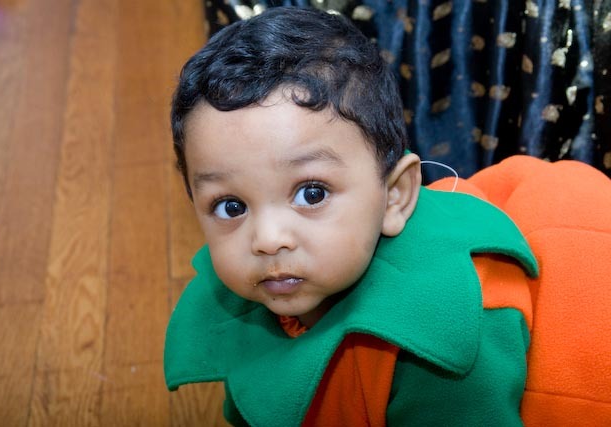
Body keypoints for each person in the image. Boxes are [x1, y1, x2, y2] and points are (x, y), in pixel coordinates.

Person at [164, 6, 611, 426]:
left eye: (312, 193)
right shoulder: (257, 287)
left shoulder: (443, 343)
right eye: (231, 206)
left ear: (395, 195)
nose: (267, 238)